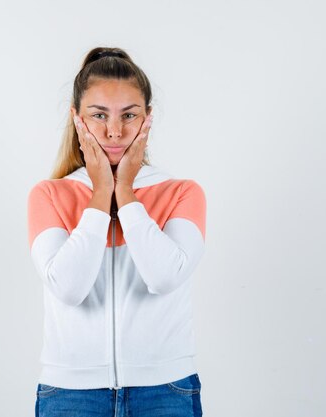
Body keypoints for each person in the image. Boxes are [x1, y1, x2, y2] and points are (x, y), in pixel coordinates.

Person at [27, 46, 207, 417]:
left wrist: (124, 190)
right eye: (98, 115)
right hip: (70, 392)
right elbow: (69, 288)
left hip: (166, 389)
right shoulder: (49, 195)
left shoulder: (182, 193)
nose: (114, 131)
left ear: (148, 119)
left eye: (129, 115)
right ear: (77, 120)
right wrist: (99, 195)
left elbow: (163, 277)